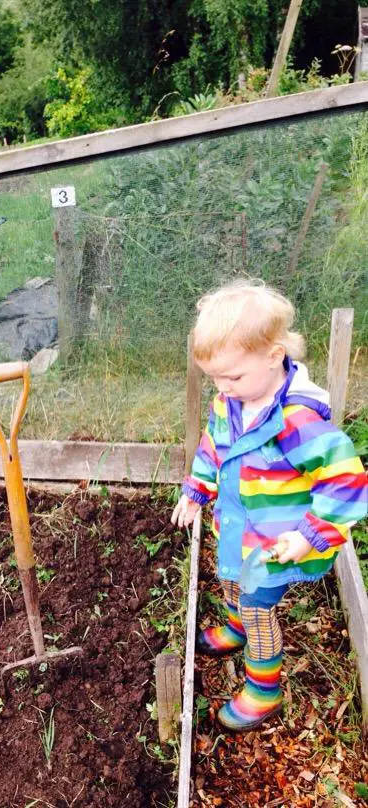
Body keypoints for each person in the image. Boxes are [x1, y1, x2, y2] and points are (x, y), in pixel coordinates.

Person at [172, 281, 367, 732]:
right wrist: (197, 490)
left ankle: (264, 691)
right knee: (230, 580)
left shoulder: (296, 422)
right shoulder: (230, 403)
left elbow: (347, 480)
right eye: (214, 378)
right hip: (238, 529)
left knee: (260, 609)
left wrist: (309, 536)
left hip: (275, 545)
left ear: (273, 354)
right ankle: (234, 625)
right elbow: (211, 448)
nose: (222, 387)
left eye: (233, 376)